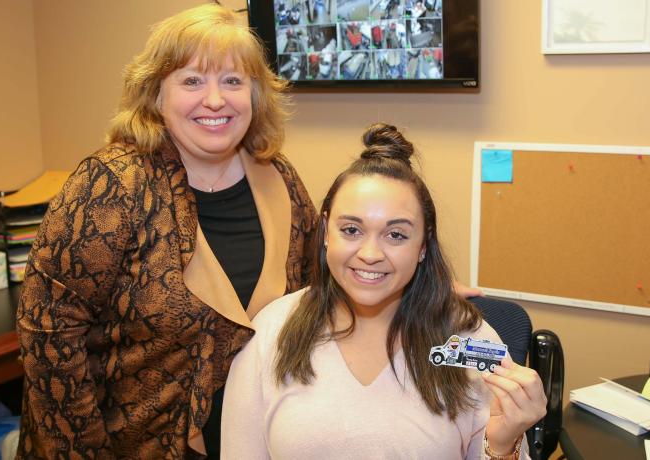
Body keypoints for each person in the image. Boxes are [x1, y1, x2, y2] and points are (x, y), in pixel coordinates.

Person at [15, 4, 316, 458]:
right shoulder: (112, 184)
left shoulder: (278, 177)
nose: (215, 100)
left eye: (233, 81)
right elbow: (49, 334)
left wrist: (414, 283)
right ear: (156, 95)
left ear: (255, 96)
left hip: (250, 440)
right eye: (192, 80)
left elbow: (320, 281)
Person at [221, 124, 546, 458]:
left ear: (423, 244)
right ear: (326, 230)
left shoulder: (471, 342)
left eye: (396, 235)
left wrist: (503, 446)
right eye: (351, 229)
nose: (371, 254)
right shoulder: (270, 333)